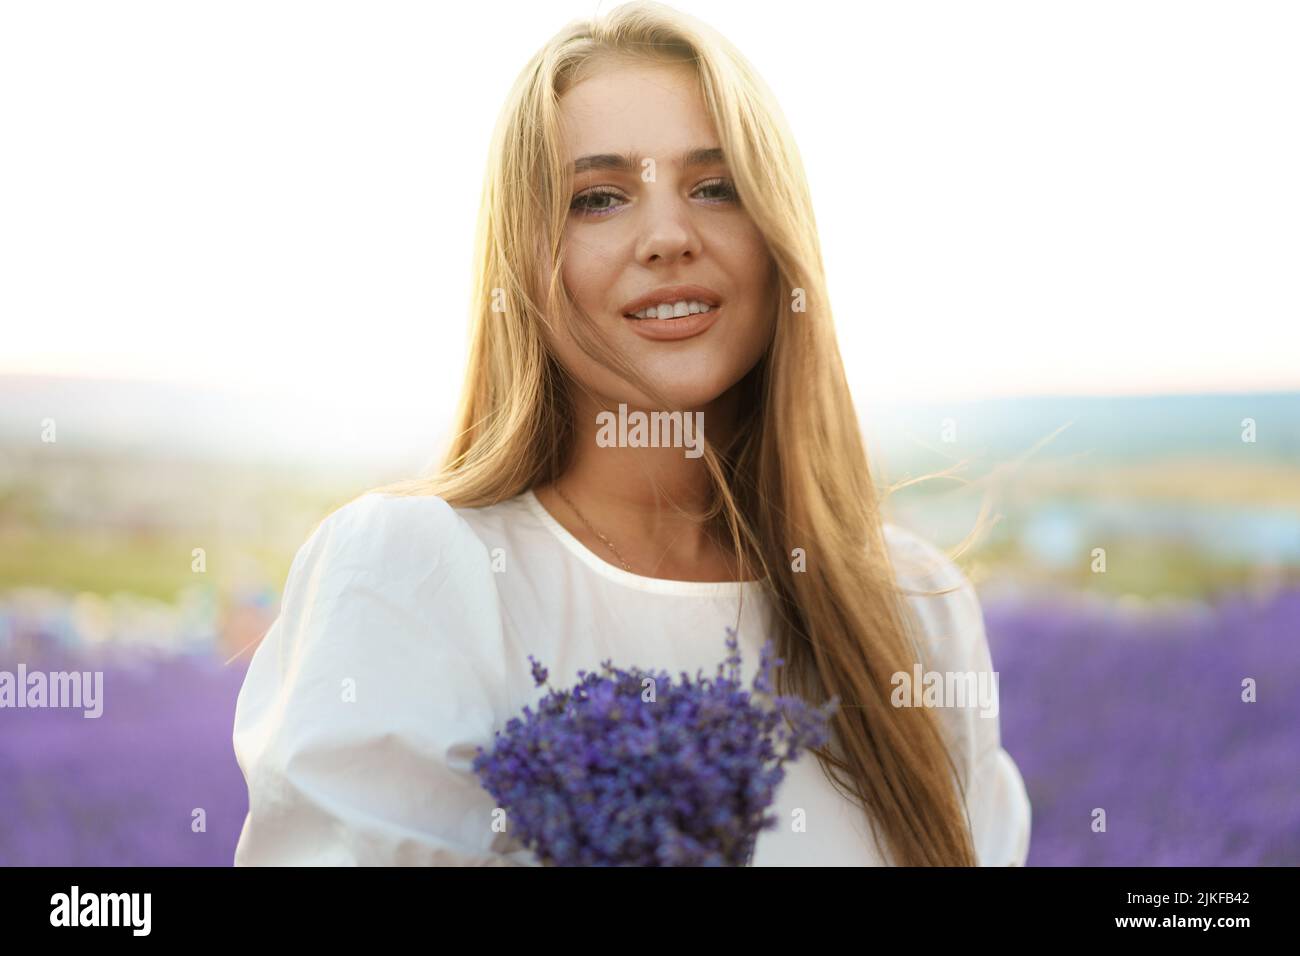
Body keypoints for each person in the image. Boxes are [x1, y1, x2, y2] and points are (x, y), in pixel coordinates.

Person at [232, 0, 1031, 867]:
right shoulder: (414, 568)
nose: (667, 237)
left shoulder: (912, 611)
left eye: (716, 186)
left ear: (779, 235)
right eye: (599, 198)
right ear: (529, 263)